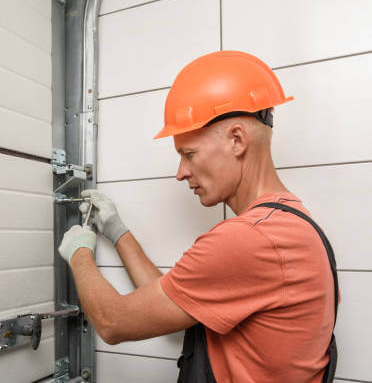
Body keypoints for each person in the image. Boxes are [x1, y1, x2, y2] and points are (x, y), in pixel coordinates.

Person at [57, 51, 338, 382]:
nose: (181, 173)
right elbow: (171, 295)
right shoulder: (291, 224)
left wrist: (79, 253)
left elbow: (114, 322)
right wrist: (118, 231)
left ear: (237, 140)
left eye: (188, 154)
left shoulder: (248, 240)